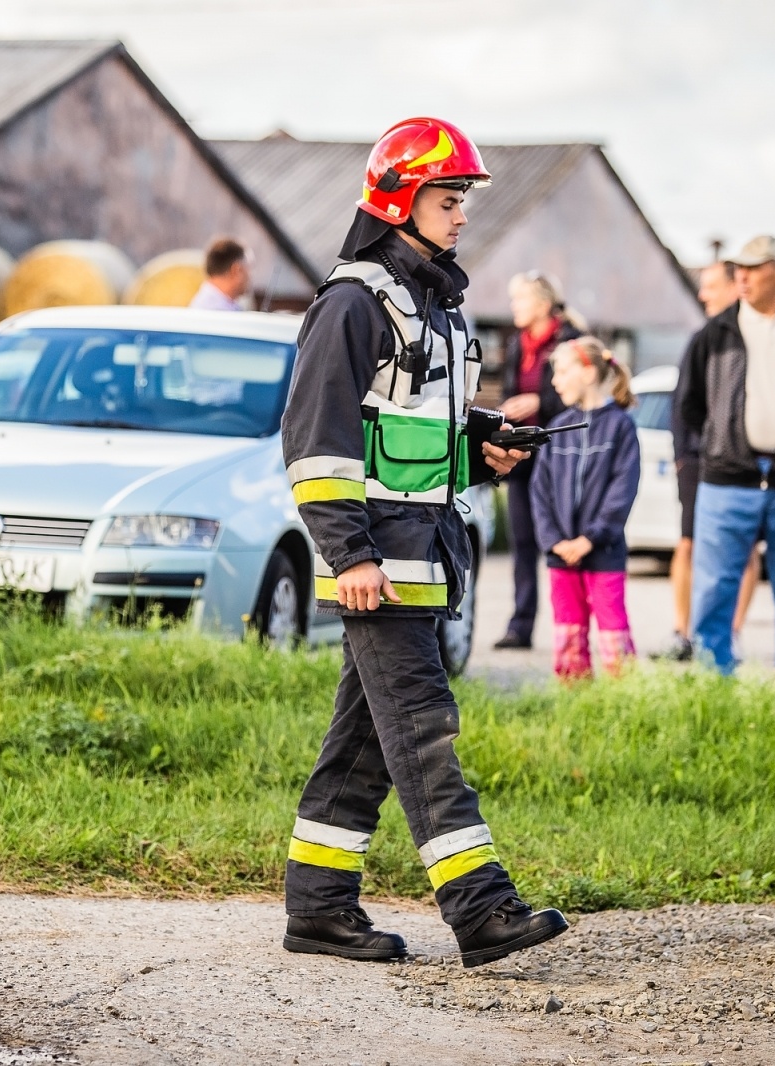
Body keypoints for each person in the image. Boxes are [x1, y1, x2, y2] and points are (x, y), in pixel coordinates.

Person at [279, 117, 568, 968]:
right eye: (449, 199)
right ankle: (482, 911)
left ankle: (319, 910)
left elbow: (404, 445)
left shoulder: (432, 306)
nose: (463, 215)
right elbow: (315, 446)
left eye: (464, 200)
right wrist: (351, 556)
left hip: (421, 558)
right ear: (400, 201)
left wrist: (483, 451)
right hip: (380, 569)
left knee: (365, 745)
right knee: (424, 729)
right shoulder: (352, 305)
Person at [678, 235, 775, 675]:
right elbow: (689, 405)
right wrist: (717, 444)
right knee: (714, 589)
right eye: (738, 269)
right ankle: (714, 681)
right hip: (727, 480)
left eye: (753, 268)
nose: (741, 277)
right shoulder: (715, 331)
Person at [657, 261, 762, 662]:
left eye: (711, 287)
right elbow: (682, 402)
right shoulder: (703, 337)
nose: (703, 295)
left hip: (747, 463)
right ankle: (682, 633)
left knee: (746, 548)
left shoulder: (758, 335)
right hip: (698, 461)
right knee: (687, 545)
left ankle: (730, 633)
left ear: (737, 287)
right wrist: (684, 456)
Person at [531, 336, 641, 679]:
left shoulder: (621, 427)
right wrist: (554, 541)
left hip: (603, 552)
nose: (554, 380)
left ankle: (623, 702)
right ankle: (576, 704)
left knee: (613, 636)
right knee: (568, 635)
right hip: (560, 555)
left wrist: (590, 539)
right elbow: (540, 492)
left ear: (589, 373)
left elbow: (621, 492)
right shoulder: (557, 427)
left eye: (562, 371)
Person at [493, 271, 582, 650]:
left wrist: (540, 403)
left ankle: (576, 628)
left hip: (560, 455)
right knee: (523, 542)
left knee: (562, 541)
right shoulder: (517, 344)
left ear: (543, 305)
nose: (514, 307)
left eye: (521, 300)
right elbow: (513, 391)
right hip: (522, 451)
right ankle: (520, 627)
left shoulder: (572, 341)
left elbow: (580, 398)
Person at [189, 237, 253, 311]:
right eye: (250, 268)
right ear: (236, 270)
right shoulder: (213, 311)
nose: (251, 276)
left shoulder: (223, 306)